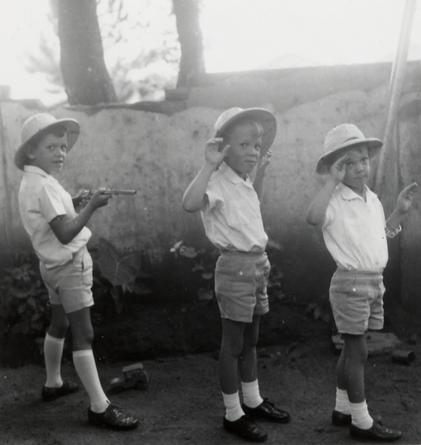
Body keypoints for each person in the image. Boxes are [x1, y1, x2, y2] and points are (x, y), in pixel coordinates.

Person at [15, 112, 139, 430]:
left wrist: (73, 201)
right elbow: (66, 233)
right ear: (31, 151)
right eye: (51, 147)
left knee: (59, 323)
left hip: (50, 267)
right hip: (69, 266)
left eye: (63, 147)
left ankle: (53, 382)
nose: (61, 153)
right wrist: (92, 206)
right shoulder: (45, 186)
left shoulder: (31, 181)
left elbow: (48, 216)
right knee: (84, 334)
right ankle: (99, 407)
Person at [182, 107, 290, 442]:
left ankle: (252, 400)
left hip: (257, 266)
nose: (253, 152)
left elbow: (252, 206)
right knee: (233, 344)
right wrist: (208, 164)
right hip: (235, 269)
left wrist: (262, 175)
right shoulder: (216, 181)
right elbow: (189, 203)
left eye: (256, 145)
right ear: (223, 148)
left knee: (251, 339)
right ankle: (233, 413)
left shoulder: (243, 182)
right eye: (244, 145)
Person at [306, 123, 418, 442]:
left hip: (372, 283)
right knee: (358, 352)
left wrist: (399, 212)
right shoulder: (334, 200)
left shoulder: (372, 199)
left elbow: (381, 235)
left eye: (363, 160)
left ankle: (343, 408)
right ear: (334, 168)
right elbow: (312, 218)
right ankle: (361, 420)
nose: (359, 168)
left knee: (353, 349)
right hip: (350, 283)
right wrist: (331, 182)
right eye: (348, 163)